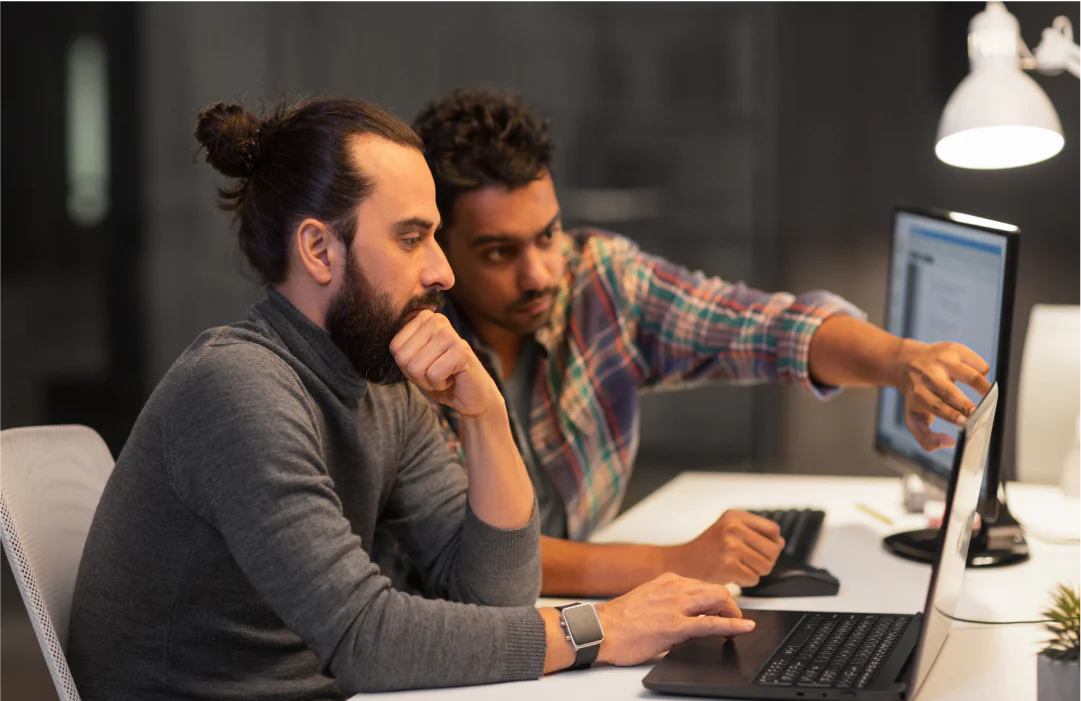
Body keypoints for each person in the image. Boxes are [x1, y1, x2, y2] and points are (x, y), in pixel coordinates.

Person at [66, 97, 756, 700]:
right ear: (319, 250)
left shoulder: (381, 382)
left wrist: (485, 417)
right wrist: (600, 627)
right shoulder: (237, 389)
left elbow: (494, 594)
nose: (442, 270)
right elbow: (366, 637)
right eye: (411, 237)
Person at [407, 87, 994, 597]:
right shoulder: (415, 358)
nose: (538, 274)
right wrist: (676, 562)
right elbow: (473, 553)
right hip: (475, 635)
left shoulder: (599, 282)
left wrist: (900, 361)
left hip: (577, 610)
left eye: (547, 235)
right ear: (439, 244)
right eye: (499, 252)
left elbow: (766, 327)